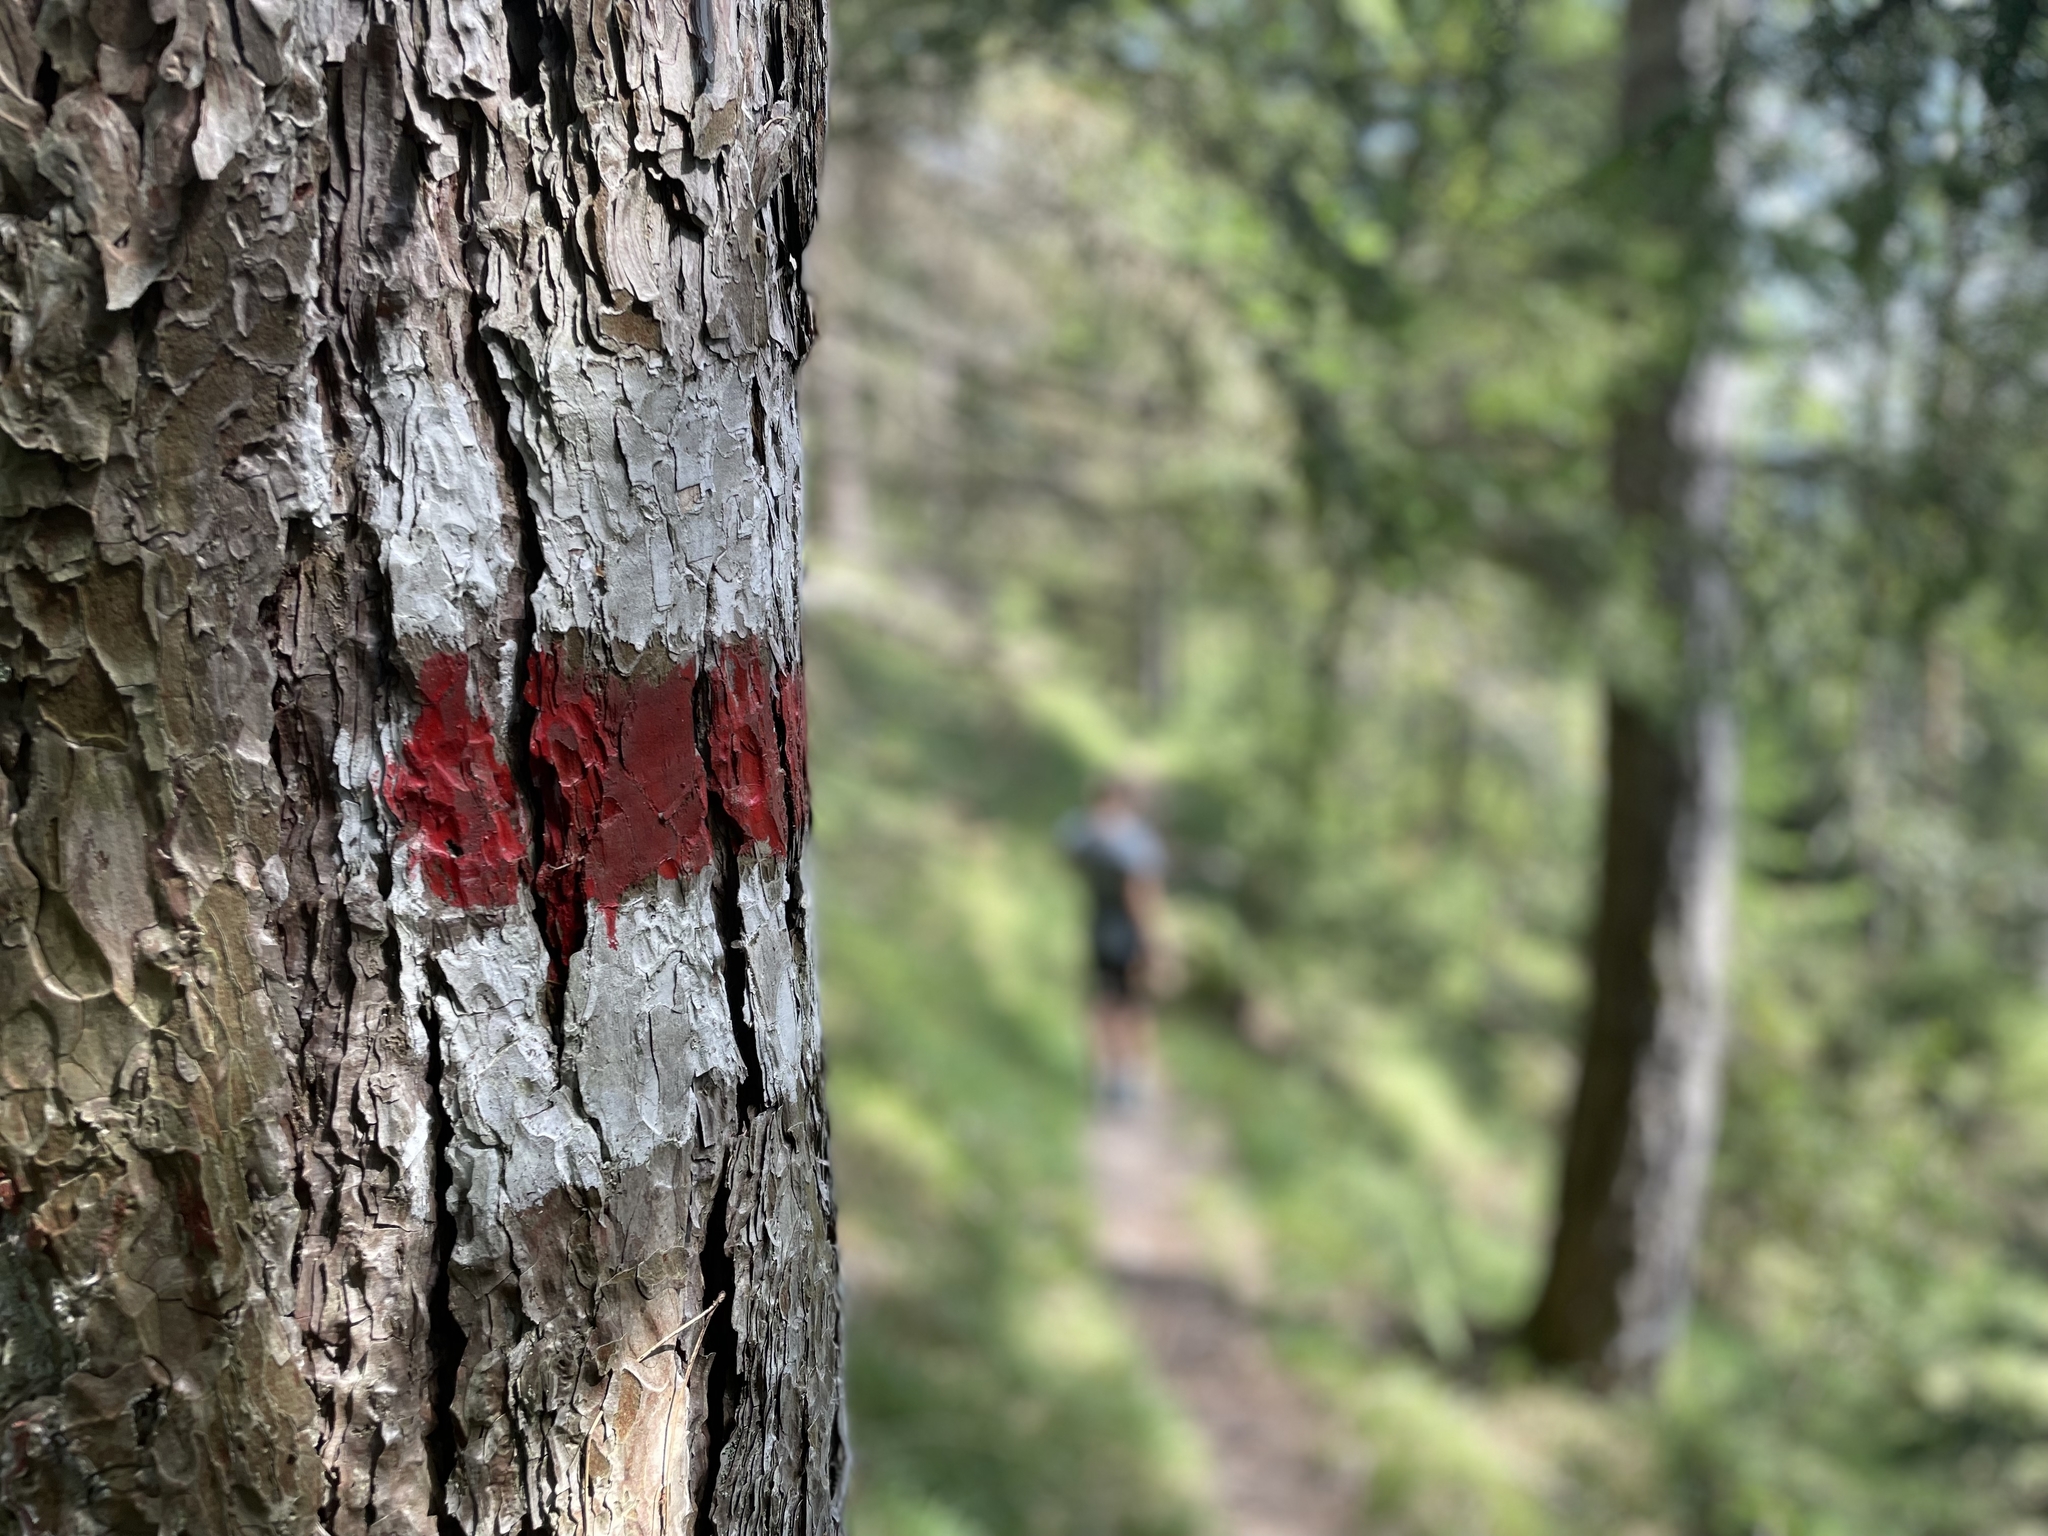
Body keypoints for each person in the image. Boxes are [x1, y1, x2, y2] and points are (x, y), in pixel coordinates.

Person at [1059, 777, 1167, 1108]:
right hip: (1126, 934)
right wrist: (1151, 941)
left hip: (1098, 927)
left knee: (1105, 1002)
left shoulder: (1089, 835)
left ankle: (1108, 1074)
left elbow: (1066, 853)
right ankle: (1123, 1078)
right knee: (1127, 1007)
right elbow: (1139, 892)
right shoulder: (1134, 843)